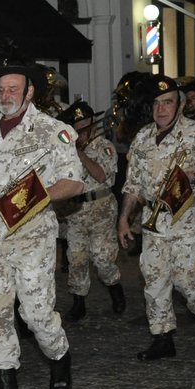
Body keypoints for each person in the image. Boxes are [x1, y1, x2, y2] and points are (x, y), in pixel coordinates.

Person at [0, 63, 85, 389]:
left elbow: (75, 183)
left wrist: (35, 197)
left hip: (33, 237)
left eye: (13, 89)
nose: (6, 95)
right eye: (2, 89)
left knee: (35, 314)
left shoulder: (53, 131)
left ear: (30, 92)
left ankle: (59, 357)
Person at [117, 74, 195, 359]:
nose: (161, 109)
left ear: (179, 106)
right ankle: (162, 337)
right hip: (154, 218)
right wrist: (124, 217)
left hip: (189, 216)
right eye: (156, 104)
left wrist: (193, 176)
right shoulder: (142, 137)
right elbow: (133, 184)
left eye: (168, 102)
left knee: (187, 281)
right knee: (154, 280)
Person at [56, 101, 126, 321]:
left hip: (101, 208)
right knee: (76, 258)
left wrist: (81, 155)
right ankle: (79, 303)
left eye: (86, 122)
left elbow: (101, 176)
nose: (82, 127)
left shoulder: (104, 146)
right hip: (75, 210)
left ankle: (114, 286)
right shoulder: (66, 148)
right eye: (78, 123)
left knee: (102, 258)